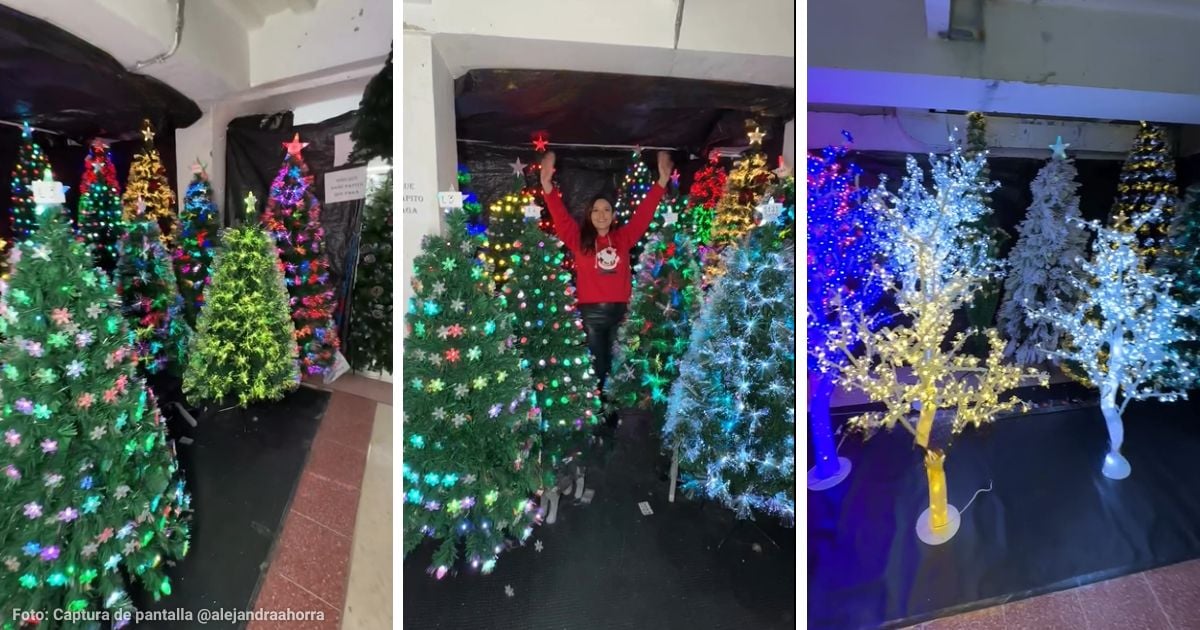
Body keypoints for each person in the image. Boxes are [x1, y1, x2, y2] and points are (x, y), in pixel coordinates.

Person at [541, 149, 673, 435]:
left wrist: (661, 182)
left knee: (616, 365)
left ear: (613, 215)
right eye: (596, 210)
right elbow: (562, 218)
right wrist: (547, 187)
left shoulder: (624, 237)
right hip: (592, 314)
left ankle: (612, 408)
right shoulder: (579, 240)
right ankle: (600, 413)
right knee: (598, 365)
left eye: (606, 210)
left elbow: (643, 216)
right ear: (590, 215)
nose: (601, 215)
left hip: (619, 313)